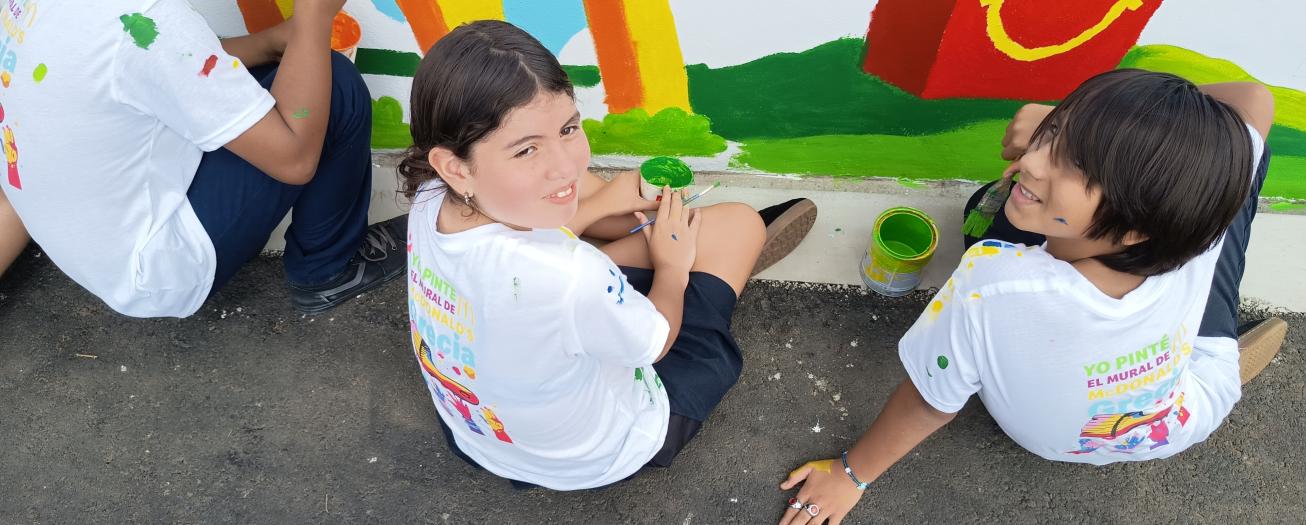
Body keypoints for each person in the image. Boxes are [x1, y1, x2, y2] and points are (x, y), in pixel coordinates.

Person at [777, 70, 1288, 524]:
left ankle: (1201, 363)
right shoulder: (1185, 214)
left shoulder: (994, 282)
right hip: (1176, 418)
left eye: (1077, 166)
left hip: (1052, 434)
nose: (1034, 160)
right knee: (1224, 198)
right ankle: (1191, 361)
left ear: (1135, 226)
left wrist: (851, 474)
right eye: (1055, 132)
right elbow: (1253, 100)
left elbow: (932, 402)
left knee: (990, 212)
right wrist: (1110, 134)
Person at [401, 20, 815, 490]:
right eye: (526, 150)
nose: (564, 162)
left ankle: (656, 238)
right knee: (738, 223)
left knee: (584, 194)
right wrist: (674, 269)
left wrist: (607, 200)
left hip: (477, 434)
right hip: (602, 452)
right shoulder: (571, 275)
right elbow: (654, 343)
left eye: (569, 128)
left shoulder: (432, 194)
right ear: (455, 166)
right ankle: (711, 270)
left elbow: (543, 241)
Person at [0, 0, 404, 317]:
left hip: (73, 234)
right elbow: (294, 160)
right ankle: (328, 269)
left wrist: (268, 44)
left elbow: (160, 61)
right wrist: (314, 17)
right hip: (151, 271)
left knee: (278, 75)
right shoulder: (146, 14)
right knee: (335, 86)